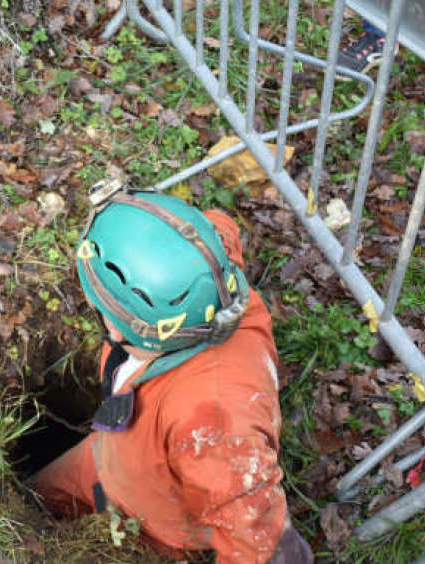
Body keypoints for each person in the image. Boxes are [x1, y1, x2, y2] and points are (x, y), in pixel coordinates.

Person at [30, 183, 312, 564]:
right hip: (111, 455)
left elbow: (260, 543)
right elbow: (214, 228)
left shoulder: (214, 426)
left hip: (155, 514)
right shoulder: (210, 277)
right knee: (39, 494)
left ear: (117, 329)